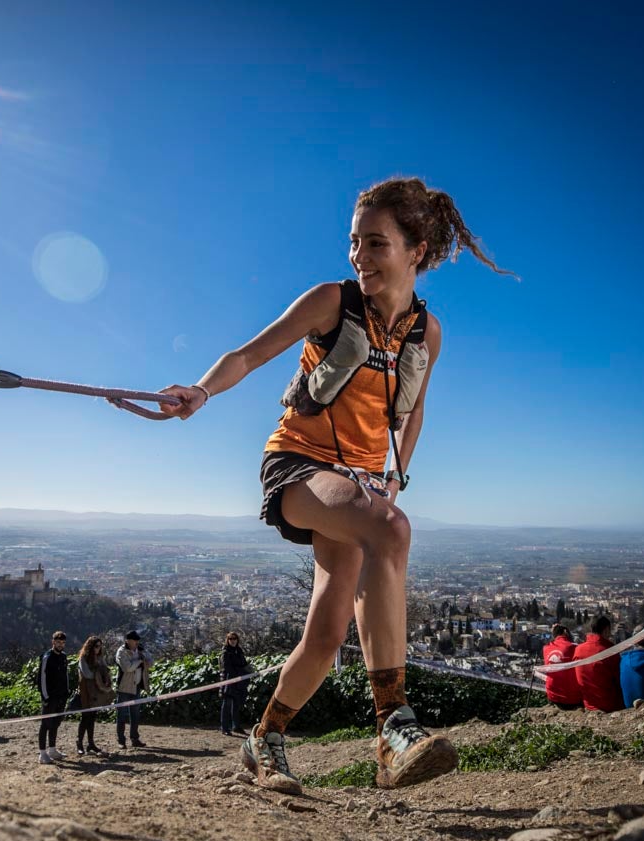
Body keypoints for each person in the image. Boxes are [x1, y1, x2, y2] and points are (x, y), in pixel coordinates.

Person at [161, 177, 509, 792]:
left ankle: (263, 739)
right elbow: (248, 355)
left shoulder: (426, 333)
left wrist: (394, 477)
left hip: (357, 481)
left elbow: (413, 410)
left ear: (417, 250)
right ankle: (394, 729)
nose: (359, 256)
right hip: (296, 464)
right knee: (391, 529)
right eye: (355, 242)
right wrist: (201, 391)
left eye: (376, 243)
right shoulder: (331, 302)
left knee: (325, 635)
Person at [573, 615, 624, 712]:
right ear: (606, 630)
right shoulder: (610, 651)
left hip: (588, 704)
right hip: (610, 705)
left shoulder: (578, 650)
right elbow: (620, 680)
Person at [76, 635, 115, 755]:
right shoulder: (83, 658)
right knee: (85, 718)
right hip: (86, 692)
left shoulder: (99, 658)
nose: (98, 649)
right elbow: (87, 674)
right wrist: (99, 673)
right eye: (96, 646)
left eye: (100, 647)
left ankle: (91, 743)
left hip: (96, 692)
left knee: (92, 717)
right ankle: (80, 743)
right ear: (91, 646)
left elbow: (105, 669)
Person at [37, 630, 71, 764]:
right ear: (53, 642)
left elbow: (65, 675)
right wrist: (45, 696)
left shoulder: (64, 657)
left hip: (61, 696)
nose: (60, 645)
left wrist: (66, 691)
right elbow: (41, 678)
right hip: (49, 697)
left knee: (56, 723)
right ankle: (42, 753)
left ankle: (52, 749)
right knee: (45, 724)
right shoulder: (47, 657)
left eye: (63, 642)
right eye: (58, 642)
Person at [115, 630, 151, 748]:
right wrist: (140, 661)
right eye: (134, 640)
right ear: (128, 641)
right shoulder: (121, 652)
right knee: (121, 714)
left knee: (135, 714)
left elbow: (151, 662)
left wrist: (145, 658)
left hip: (137, 685)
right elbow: (128, 668)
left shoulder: (141, 649)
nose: (136, 642)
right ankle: (121, 740)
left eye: (137, 640)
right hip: (124, 687)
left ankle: (135, 739)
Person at [542, 625, 582, 710]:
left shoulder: (546, 648)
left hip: (553, 696)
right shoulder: (574, 647)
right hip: (572, 698)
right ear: (565, 632)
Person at [220, 632, 252, 735]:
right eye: (230, 639)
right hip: (229, 681)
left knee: (236, 705)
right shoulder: (225, 652)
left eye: (235, 639)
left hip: (239, 682)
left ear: (237, 640)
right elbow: (227, 668)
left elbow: (244, 663)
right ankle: (225, 728)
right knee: (227, 705)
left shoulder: (239, 651)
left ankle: (236, 726)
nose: (233, 640)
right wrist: (240, 673)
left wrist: (250, 670)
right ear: (228, 640)